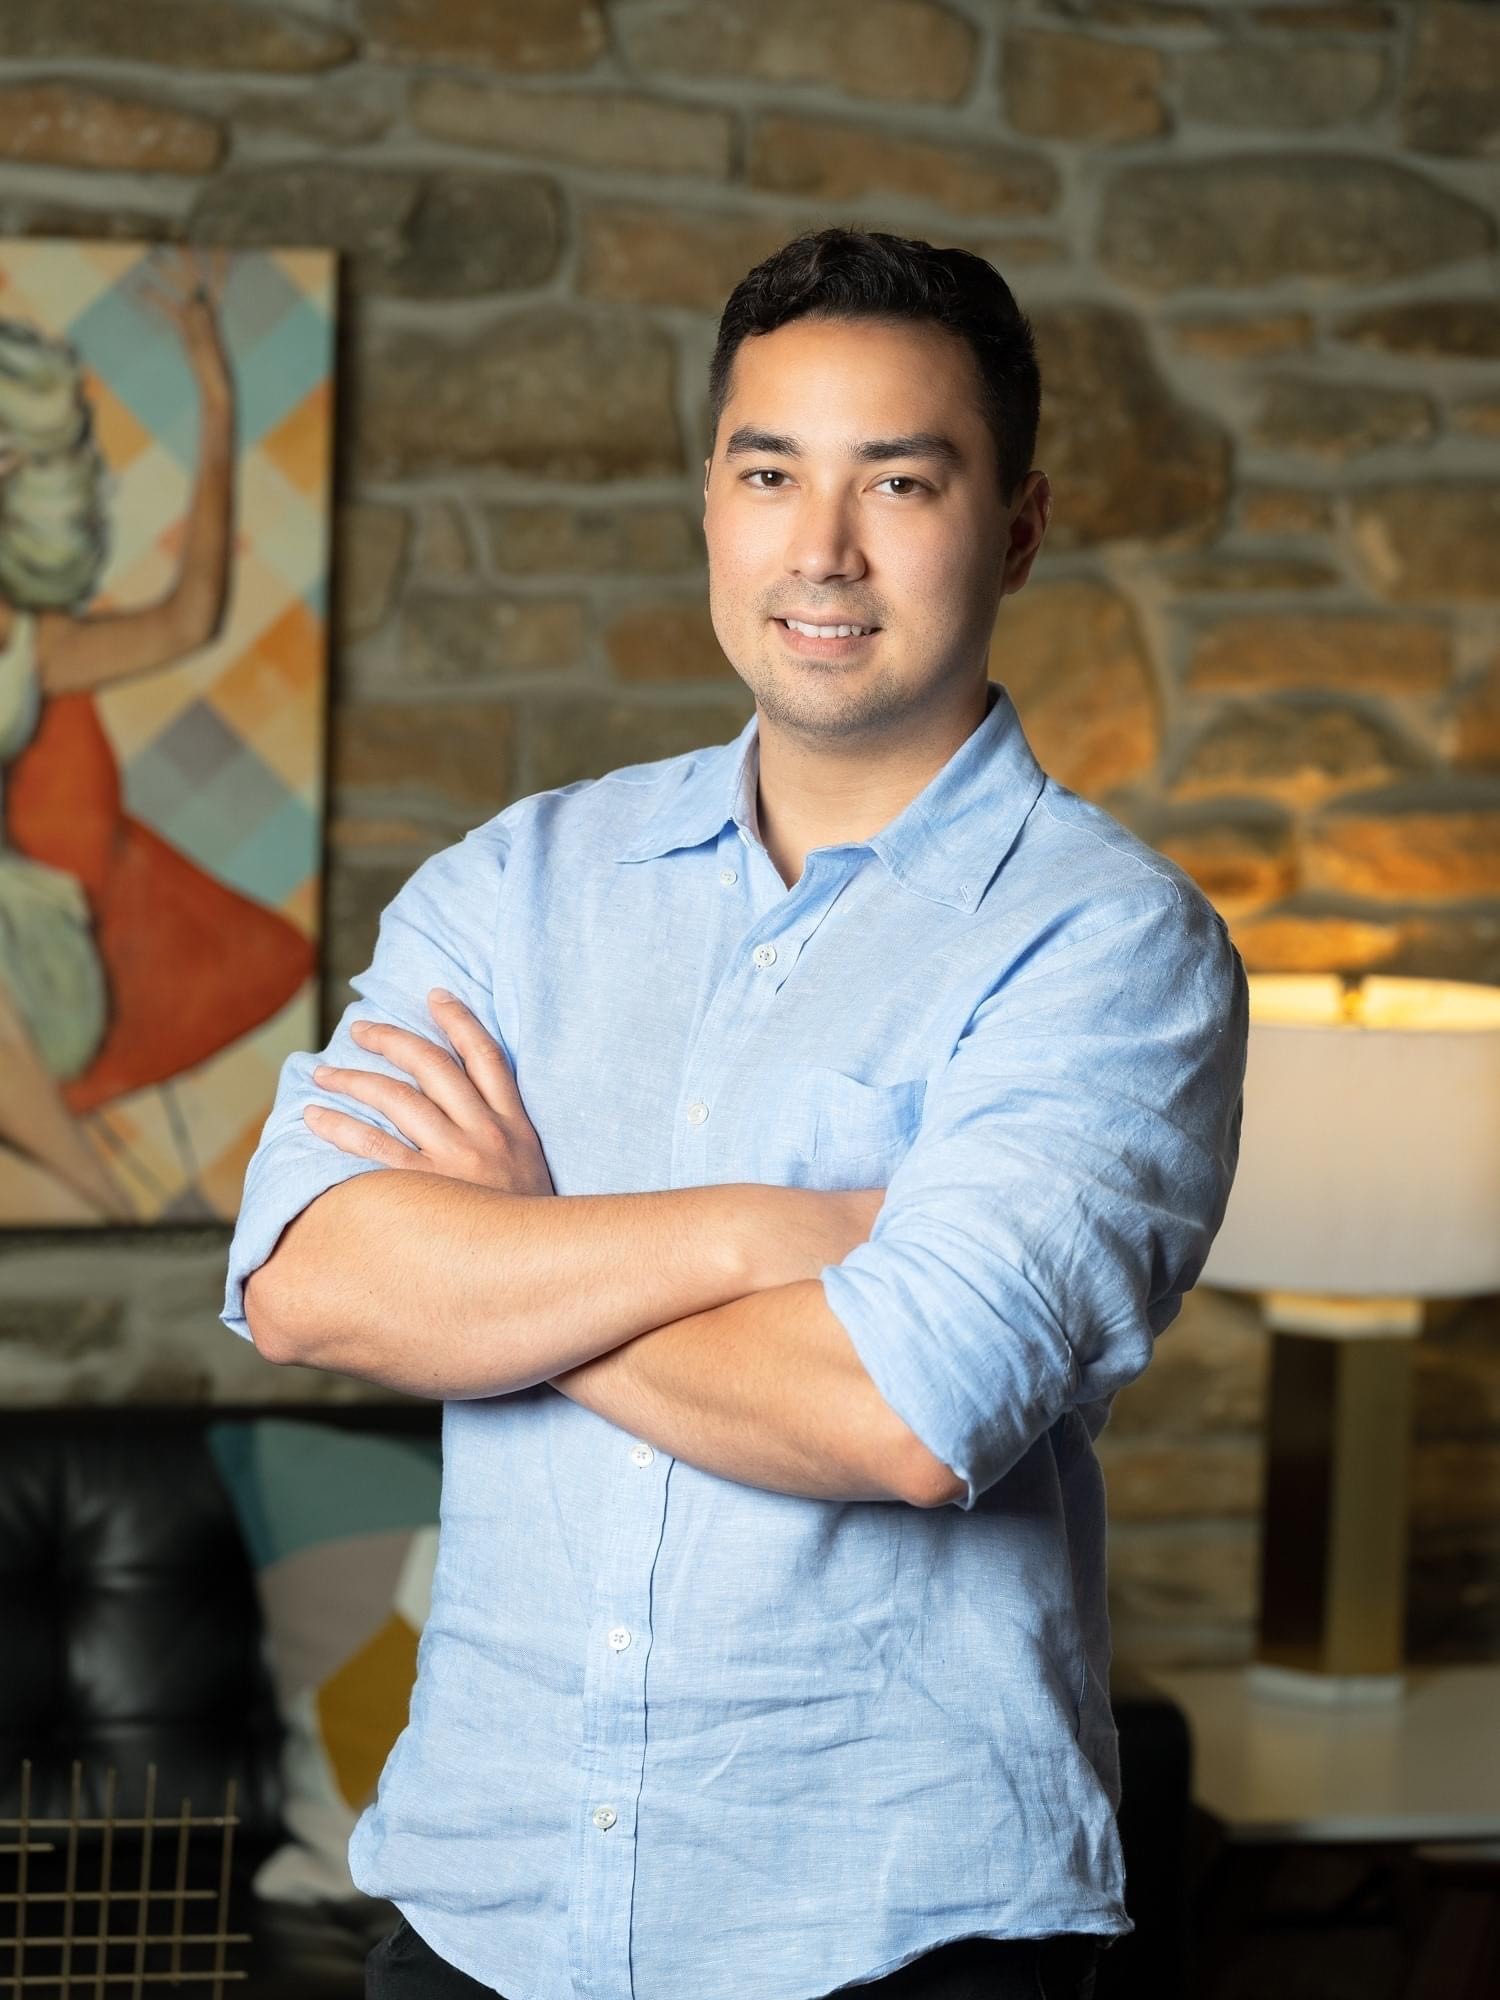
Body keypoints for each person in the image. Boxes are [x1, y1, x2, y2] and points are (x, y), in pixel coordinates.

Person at [223, 227, 1249, 2000]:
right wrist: (757, 1238)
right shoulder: (516, 885)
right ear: (709, 499)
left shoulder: (1109, 947)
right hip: (482, 1919)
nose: (820, 548)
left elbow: (898, 1412)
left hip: (895, 1941)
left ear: (1016, 528)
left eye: (899, 482)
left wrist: (513, 1265)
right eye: (769, 473)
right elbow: (309, 1277)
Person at [0, 246, 312, 1221]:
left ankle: (101, 1206)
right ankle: (100, 1214)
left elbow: (189, 620)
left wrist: (216, 400)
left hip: (23, 953)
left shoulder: (28, 642)